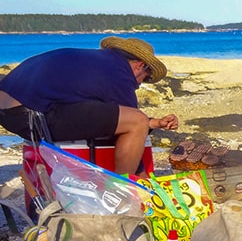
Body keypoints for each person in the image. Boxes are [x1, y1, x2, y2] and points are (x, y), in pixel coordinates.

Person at [0, 36, 178, 175]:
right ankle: (123, 191)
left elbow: (103, 112)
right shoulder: (120, 73)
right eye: (146, 78)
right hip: (31, 115)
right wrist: (140, 172)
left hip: (9, 109)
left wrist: (153, 123)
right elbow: (132, 119)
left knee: (134, 121)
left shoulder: (98, 62)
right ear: (140, 65)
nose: (141, 84)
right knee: (136, 121)